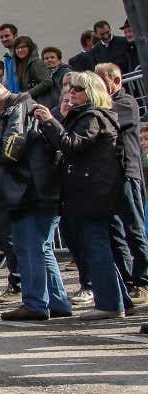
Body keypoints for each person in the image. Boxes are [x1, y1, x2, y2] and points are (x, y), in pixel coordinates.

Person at [34, 72, 133, 318]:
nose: (71, 92)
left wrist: (50, 121)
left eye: (77, 88)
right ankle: (120, 301)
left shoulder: (92, 117)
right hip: (94, 192)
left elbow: (70, 144)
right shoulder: (88, 116)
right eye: (70, 88)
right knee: (100, 247)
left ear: (90, 92)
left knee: (96, 248)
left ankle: (110, 304)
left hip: (93, 194)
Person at [0, 81, 71, 321]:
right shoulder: (20, 109)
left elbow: (11, 149)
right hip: (38, 189)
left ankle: (35, 303)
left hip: (29, 191)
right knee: (42, 248)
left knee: (29, 248)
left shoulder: (19, 111)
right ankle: (57, 301)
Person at [94, 63, 148, 302]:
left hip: (127, 172)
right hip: (108, 178)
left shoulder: (126, 102)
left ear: (116, 81)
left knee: (135, 230)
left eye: (101, 81)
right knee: (116, 232)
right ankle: (128, 281)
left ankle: (143, 280)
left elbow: (109, 124)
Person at [12, 36, 51, 105]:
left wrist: (29, 93)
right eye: (17, 48)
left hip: (41, 103)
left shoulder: (36, 63)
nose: (20, 50)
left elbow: (47, 81)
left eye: (23, 47)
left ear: (30, 48)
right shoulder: (19, 65)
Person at [0, 23, 22, 93]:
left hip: (25, 96)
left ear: (15, 36)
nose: (4, 39)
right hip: (14, 97)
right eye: (1, 37)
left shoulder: (22, 54)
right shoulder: (7, 57)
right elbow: (6, 82)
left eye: (7, 36)